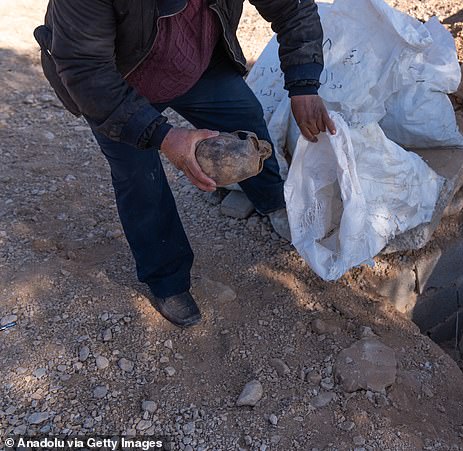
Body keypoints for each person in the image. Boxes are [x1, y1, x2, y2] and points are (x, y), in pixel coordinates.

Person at [34, 0, 336, 328]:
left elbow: (293, 9)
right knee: (139, 179)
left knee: (246, 117)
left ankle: (272, 200)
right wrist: (163, 136)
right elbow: (86, 70)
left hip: (196, 66)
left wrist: (304, 85)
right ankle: (168, 282)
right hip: (118, 82)